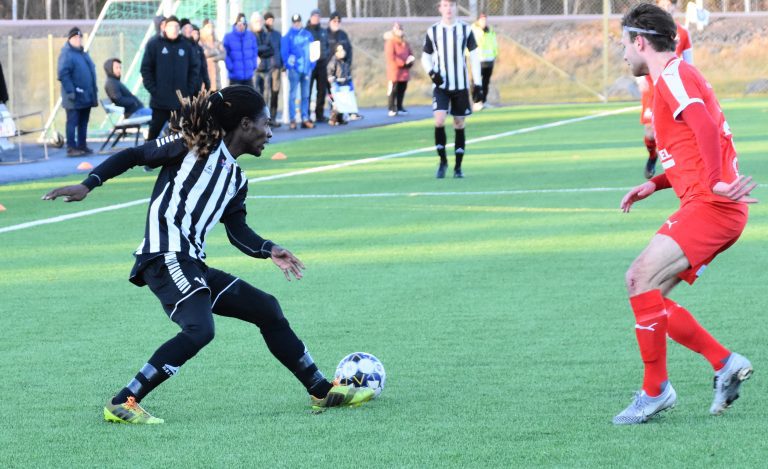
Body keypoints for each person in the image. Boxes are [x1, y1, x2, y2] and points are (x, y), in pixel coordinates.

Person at [42, 86, 375, 424]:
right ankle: (122, 401)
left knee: (267, 309)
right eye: (267, 124)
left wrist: (268, 248)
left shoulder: (237, 178)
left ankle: (320, 390)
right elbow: (133, 155)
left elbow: (237, 231)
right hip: (164, 256)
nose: (271, 133)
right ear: (245, 124)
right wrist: (89, 183)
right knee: (200, 329)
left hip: (190, 264)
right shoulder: (191, 146)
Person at [613, 2, 758, 425]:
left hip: (713, 205)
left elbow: (706, 127)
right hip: (712, 204)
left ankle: (657, 391)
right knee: (649, 297)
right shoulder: (669, 80)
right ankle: (722, 363)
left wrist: (714, 180)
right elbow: (689, 147)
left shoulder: (674, 75)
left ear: (641, 42)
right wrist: (654, 184)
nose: (623, 53)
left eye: (624, 43)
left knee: (638, 278)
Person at [421, 0, 483, 179]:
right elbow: (425, 57)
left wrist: (477, 83)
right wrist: (432, 73)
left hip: (460, 86)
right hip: (441, 86)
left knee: (459, 123)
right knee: (439, 120)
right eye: (445, 5)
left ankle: (458, 167)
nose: (449, 9)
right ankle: (442, 162)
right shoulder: (433, 31)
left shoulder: (465, 30)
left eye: (452, 5)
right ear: (440, 8)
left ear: (456, 8)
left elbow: (474, 56)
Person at [639, 0, 693, 179]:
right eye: (663, 3)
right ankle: (652, 155)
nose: (667, 7)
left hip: (673, 88)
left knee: (677, 129)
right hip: (652, 90)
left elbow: (689, 62)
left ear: (675, 7)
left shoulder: (683, 33)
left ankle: (678, 165)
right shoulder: (647, 31)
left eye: (671, 4)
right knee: (650, 133)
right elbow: (638, 56)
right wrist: (640, 80)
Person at [141, 16, 199, 140]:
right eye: (171, 26)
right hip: (160, 101)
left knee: (179, 136)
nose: (174, 29)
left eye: (177, 26)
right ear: (165, 28)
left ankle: (174, 159)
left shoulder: (186, 45)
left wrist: (188, 89)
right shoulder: (154, 44)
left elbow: (194, 68)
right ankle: (146, 157)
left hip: (180, 102)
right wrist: (154, 90)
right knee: (153, 134)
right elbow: (145, 69)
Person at [58, 27, 97, 156]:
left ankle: (82, 145)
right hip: (74, 97)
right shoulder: (66, 54)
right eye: (75, 37)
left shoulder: (83, 53)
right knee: (72, 122)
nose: (78, 40)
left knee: (83, 122)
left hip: (86, 96)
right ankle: (71, 147)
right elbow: (63, 74)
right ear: (70, 39)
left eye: (79, 37)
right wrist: (71, 92)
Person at [282, 14, 316, 130]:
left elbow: (313, 51)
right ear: (292, 23)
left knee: (306, 95)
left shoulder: (308, 35)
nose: (297, 23)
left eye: (298, 21)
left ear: (301, 22)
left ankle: (305, 118)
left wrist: (312, 64)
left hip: (306, 69)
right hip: (294, 70)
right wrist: (289, 65)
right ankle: (292, 119)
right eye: (295, 22)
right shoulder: (288, 36)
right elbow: (284, 53)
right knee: (293, 95)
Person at [384, 22, 414, 117]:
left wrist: (410, 61)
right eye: (397, 29)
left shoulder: (406, 42)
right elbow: (391, 57)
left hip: (404, 72)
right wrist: (403, 63)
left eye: (400, 29)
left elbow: (410, 53)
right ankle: (391, 108)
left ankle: (400, 106)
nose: (399, 31)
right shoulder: (390, 42)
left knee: (402, 89)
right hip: (395, 72)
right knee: (393, 90)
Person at [471, 13, 498, 111]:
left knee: (486, 82)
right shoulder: (474, 30)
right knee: (476, 81)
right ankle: (476, 101)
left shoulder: (490, 30)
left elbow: (493, 43)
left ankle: (483, 101)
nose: (484, 22)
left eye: (485, 19)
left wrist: (495, 54)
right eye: (482, 20)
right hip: (478, 59)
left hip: (489, 59)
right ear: (478, 20)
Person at [259, 12, 283, 126]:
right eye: (268, 20)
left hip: (277, 68)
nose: (270, 22)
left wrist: (282, 65)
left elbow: (280, 50)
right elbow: (262, 49)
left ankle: (273, 117)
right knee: (266, 94)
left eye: (272, 20)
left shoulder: (277, 34)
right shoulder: (263, 34)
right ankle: (265, 118)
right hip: (267, 68)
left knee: (275, 93)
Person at [306, 9, 329, 123]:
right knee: (308, 90)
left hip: (322, 64)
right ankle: (307, 114)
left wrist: (326, 56)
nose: (316, 18)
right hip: (310, 64)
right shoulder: (306, 31)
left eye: (318, 16)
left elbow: (327, 46)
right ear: (311, 18)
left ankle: (319, 114)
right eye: (314, 16)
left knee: (321, 90)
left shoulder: (323, 31)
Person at [223, 13, 258, 87]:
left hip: (248, 75)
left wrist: (254, 65)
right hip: (235, 76)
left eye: (243, 24)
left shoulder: (251, 36)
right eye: (239, 24)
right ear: (235, 24)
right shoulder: (228, 37)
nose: (241, 26)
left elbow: (255, 51)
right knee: (235, 97)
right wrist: (230, 67)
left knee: (249, 97)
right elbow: (225, 54)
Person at [326, 44, 351, 126]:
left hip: (344, 85)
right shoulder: (333, 62)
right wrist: (334, 83)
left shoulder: (345, 61)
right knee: (335, 104)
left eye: (343, 50)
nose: (342, 52)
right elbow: (330, 75)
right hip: (336, 86)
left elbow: (347, 74)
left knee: (343, 103)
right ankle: (333, 119)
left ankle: (340, 119)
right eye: (339, 50)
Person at [200, 20, 226, 91]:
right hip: (205, 77)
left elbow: (224, 55)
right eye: (208, 27)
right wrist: (216, 51)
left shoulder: (216, 41)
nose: (211, 29)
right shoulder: (201, 41)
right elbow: (204, 53)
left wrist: (214, 58)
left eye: (212, 27)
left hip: (216, 76)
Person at [185, 23, 211, 92]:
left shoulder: (199, 48)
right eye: (193, 33)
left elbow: (204, 66)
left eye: (197, 33)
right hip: (187, 83)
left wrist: (207, 81)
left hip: (198, 83)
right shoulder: (185, 47)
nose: (195, 35)